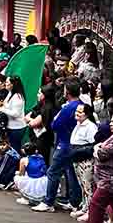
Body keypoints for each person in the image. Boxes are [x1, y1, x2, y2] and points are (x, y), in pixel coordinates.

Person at [32, 79, 82, 213]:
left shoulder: (68, 108)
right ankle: (75, 202)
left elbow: (55, 125)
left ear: (68, 92)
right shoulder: (81, 105)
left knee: (53, 172)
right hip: (76, 144)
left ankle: (48, 201)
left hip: (64, 143)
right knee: (71, 173)